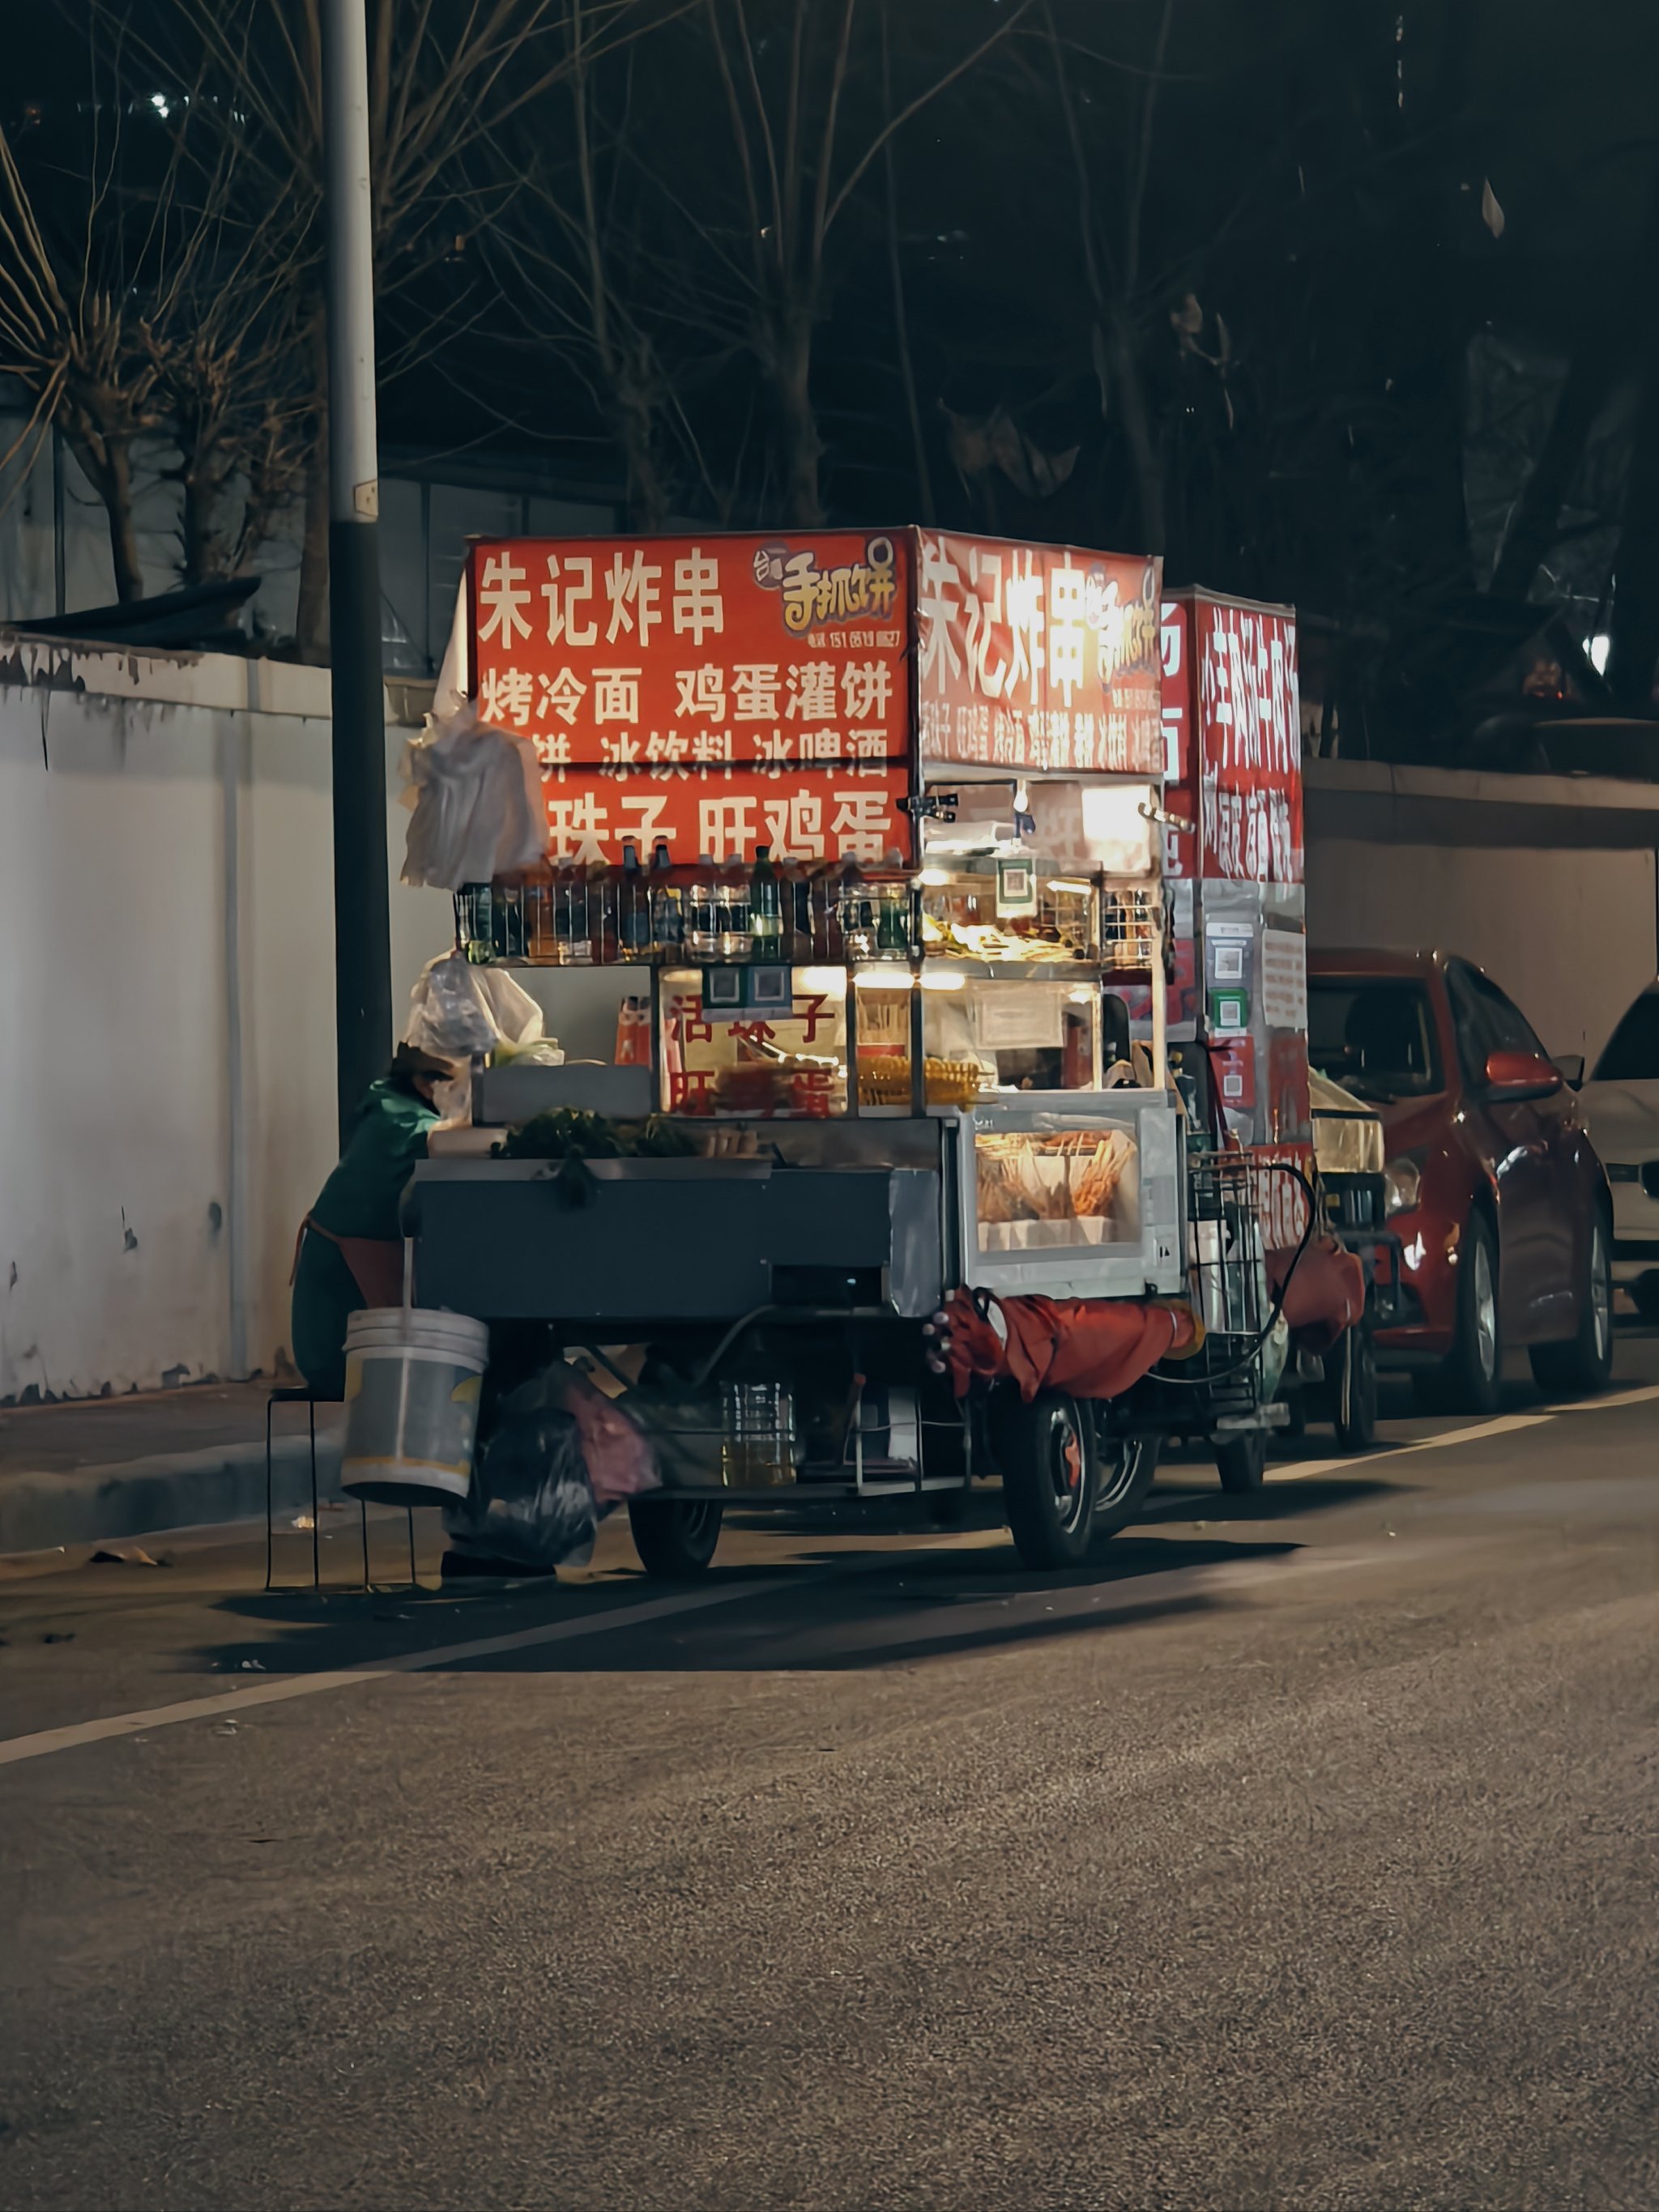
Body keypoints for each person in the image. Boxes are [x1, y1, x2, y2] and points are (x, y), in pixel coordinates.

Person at [290, 1043, 453, 1400]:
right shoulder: (399, 1120)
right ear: (424, 1082)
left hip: (352, 1278)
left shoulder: (391, 1108)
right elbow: (443, 1143)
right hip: (338, 1328)